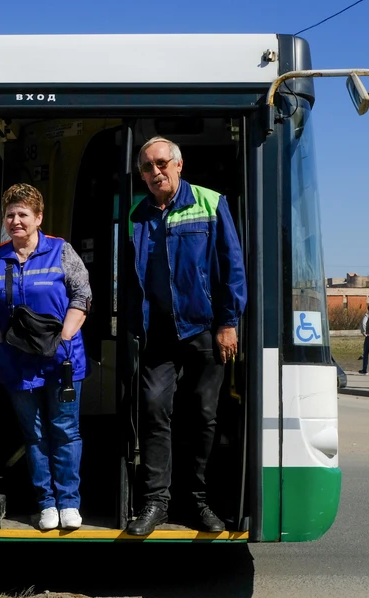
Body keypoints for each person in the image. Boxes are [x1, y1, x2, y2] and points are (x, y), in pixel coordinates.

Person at [124, 136, 247, 536]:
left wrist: (228, 323)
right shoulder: (136, 214)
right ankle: (156, 502)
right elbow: (130, 277)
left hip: (204, 329)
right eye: (146, 167)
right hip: (157, 333)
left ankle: (196, 500)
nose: (155, 171)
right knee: (154, 410)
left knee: (203, 415)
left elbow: (233, 267)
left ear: (178, 165)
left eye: (161, 163)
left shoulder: (210, 202)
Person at [0, 183, 93, 531]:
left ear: (38, 217)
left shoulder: (61, 252)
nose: (16, 221)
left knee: (65, 431)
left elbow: (82, 296)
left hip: (60, 359)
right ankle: (46, 503)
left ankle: (69, 503)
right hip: (16, 361)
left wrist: (63, 337)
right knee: (34, 435)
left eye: (23, 214)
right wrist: (0, 349)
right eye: (10, 215)